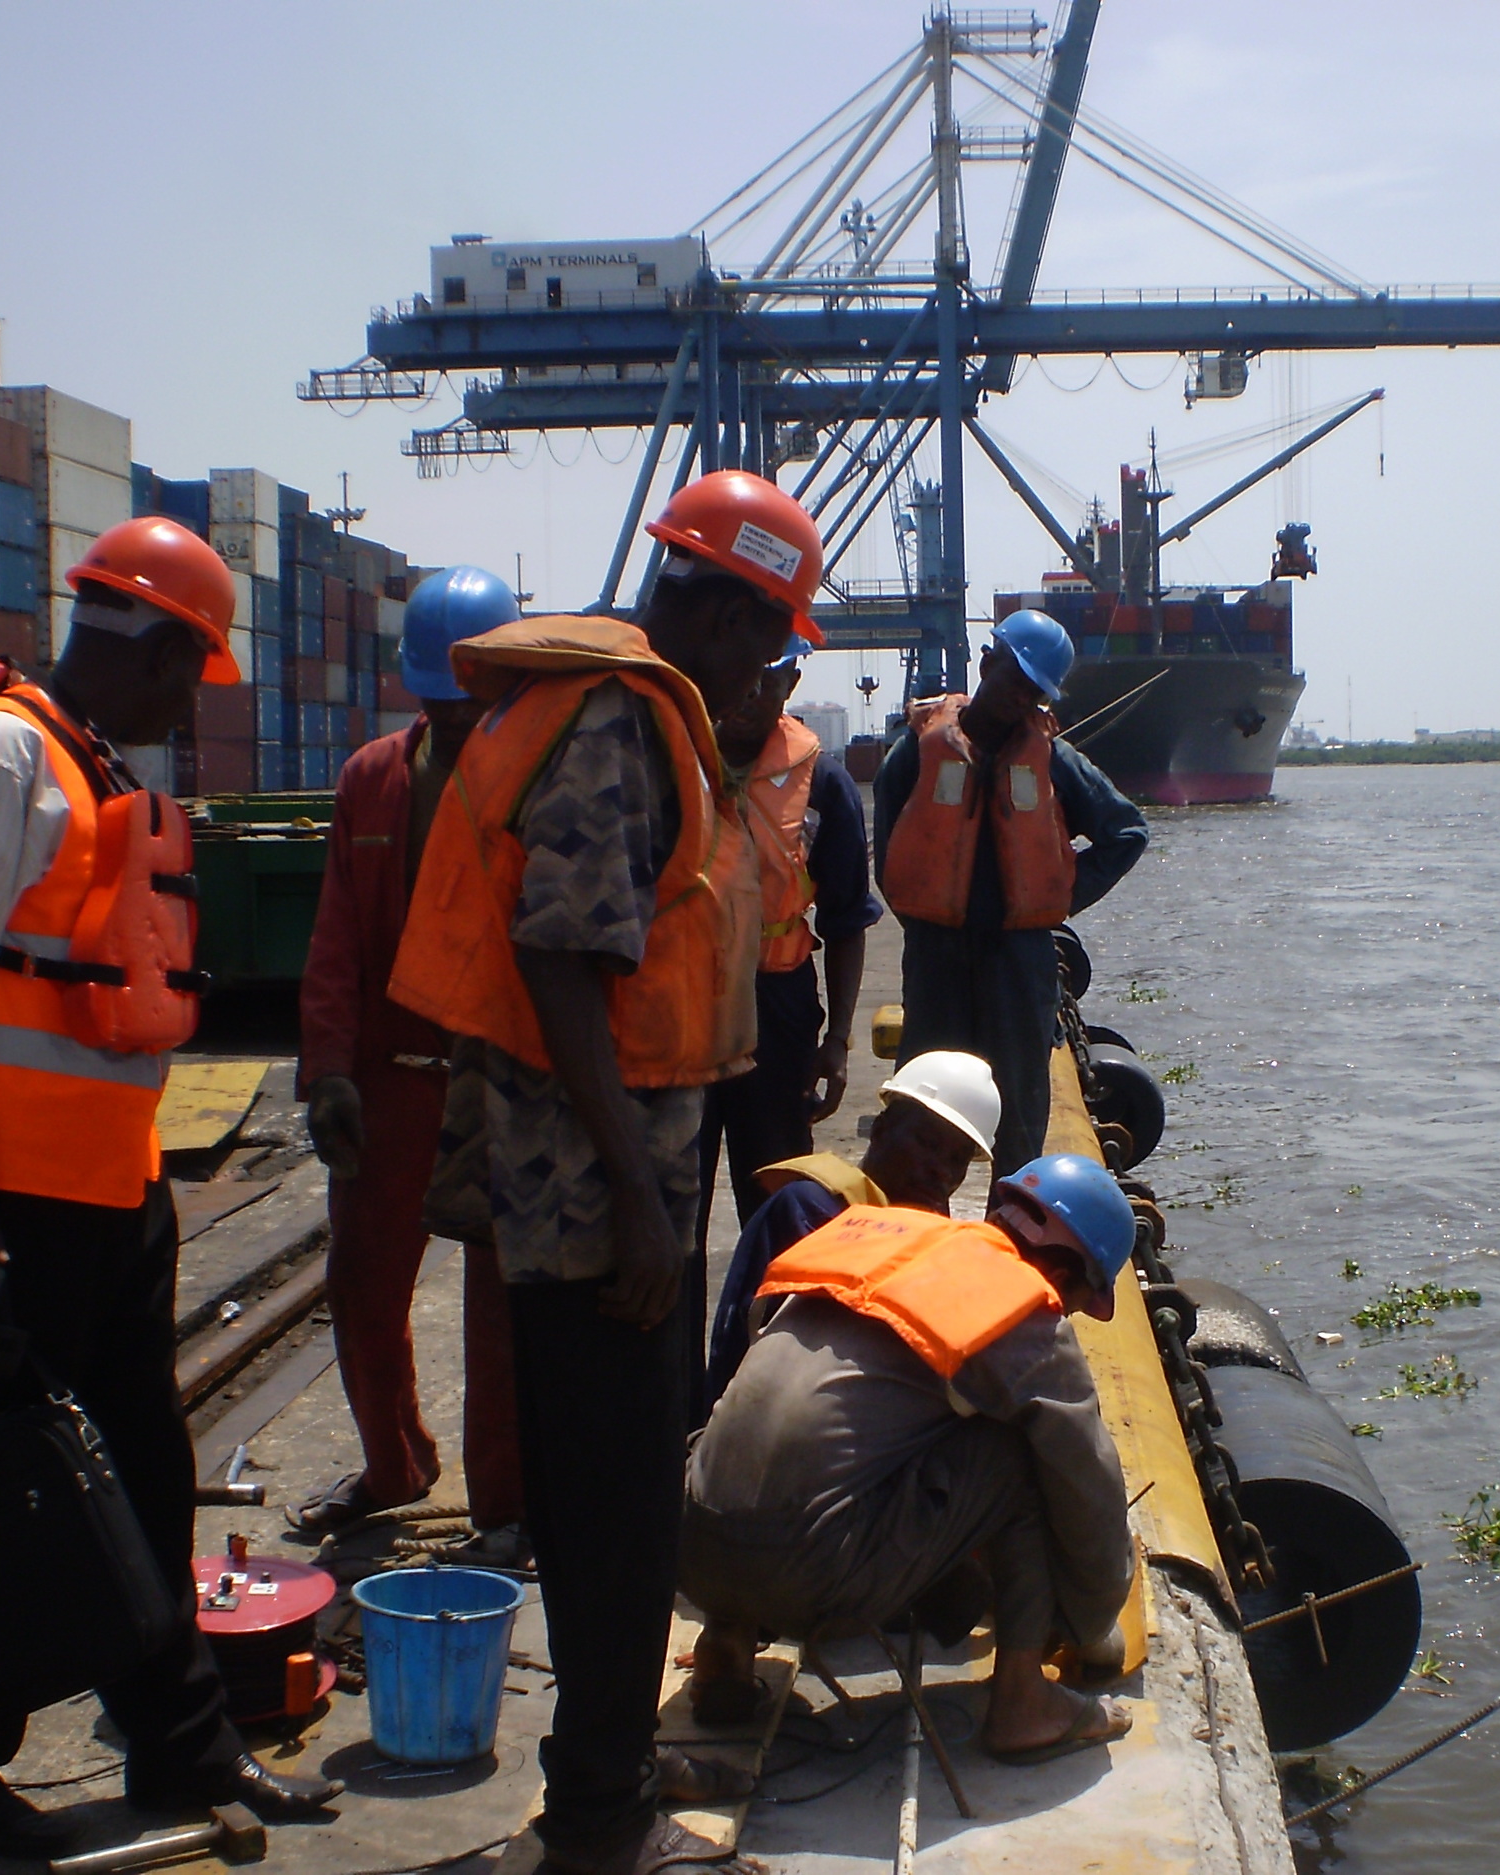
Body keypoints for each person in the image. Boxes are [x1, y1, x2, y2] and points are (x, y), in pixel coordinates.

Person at [0, 517, 342, 1859]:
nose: (194, 704)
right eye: (193, 670)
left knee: (146, 1476)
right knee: (2, 1496)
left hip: (110, 1197)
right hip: (2, 1205)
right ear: (149, 642)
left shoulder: (90, 764)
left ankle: (182, 1745)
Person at [389, 469, 821, 1875]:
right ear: (716, 598)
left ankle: (601, 1783)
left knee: (600, 1490)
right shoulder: (623, 726)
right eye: (769, 634)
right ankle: (601, 1814)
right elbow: (562, 955)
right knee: (618, 1500)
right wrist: (643, 1198)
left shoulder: (646, 718)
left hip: (606, 1172)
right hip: (592, 1187)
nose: (771, 664)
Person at [682, 1154, 1139, 1764]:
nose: (1067, 1316)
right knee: (1022, 1453)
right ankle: (1025, 1704)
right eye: (1079, 1301)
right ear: (1063, 1269)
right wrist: (1093, 1626)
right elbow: (1091, 1493)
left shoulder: (866, 1241)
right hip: (805, 1578)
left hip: (690, 1547)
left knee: (811, 1437)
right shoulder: (1020, 1304)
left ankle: (726, 1644)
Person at [294, 566, 527, 1563]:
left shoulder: (539, 780)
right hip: (391, 1075)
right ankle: (395, 1466)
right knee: (361, 1283)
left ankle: (506, 1503)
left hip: (500, 1075)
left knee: (503, 1308)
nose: (452, 720)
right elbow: (339, 933)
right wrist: (329, 1072)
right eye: (437, 702)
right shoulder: (371, 781)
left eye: (469, 703)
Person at [874, 611, 1149, 1173]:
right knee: (924, 1103)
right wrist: (924, 914)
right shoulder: (915, 752)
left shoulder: (1054, 762)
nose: (1020, 698)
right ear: (987, 662)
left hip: (1018, 961)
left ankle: (1012, 1233)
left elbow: (1127, 832)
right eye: (1014, 679)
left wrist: (1057, 897)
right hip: (936, 956)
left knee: (1020, 1115)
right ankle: (917, 1230)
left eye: (1034, 690)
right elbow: (889, 853)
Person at [697, 635, 880, 1242]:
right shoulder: (675, 761)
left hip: (776, 1012)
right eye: (743, 674)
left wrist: (839, 1040)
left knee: (777, 1195)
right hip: (682, 1005)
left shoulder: (824, 784)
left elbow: (846, 918)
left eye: (767, 680)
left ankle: (776, 1330)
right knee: (674, 1199)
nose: (750, 694)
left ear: (790, 687)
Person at [704, 1048, 999, 1411]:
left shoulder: (915, 1229)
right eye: (928, 1143)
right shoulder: (811, 1209)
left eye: (957, 1159)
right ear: (881, 1130)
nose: (942, 1170)